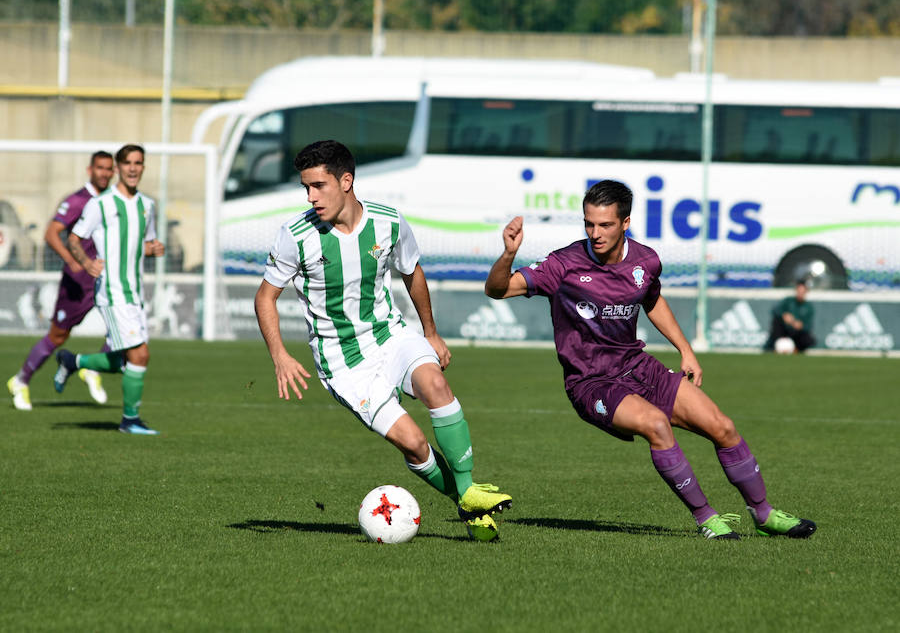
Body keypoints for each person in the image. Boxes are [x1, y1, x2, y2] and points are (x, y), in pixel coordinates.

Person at [485, 179, 815, 540]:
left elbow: (652, 299)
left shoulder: (646, 261)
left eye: (606, 225)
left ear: (625, 222)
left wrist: (685, 350)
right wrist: (507, 256)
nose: (596, 233)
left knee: (722, 427)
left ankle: (764, 515)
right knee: (657, 425)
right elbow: (498, 290)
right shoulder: (562, 265)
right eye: (589, 224)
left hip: (638, 367)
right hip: (591, 381)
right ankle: (708, 519)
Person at [254, 140, 512, 541]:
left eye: (319, 186)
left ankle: (468, 489)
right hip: (343, 363)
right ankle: (467, 500)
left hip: (390, 335)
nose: (311, 196)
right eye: (306, 188)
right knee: (413, 445)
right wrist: (280, 356)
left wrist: (430, 332)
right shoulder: (296, 235)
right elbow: (265, 296)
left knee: (435, 383)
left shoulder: (388, 222)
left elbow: (412, 272)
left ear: (346, 181)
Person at [52, 144, 166, 435]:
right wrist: (87, 263)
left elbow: (142, 245)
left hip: (135, 293)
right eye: (127, 162)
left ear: (143, 167)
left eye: (138, 163)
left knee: (124, 361)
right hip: (112, 292)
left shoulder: (147, 206)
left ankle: (73, 361)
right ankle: (129, 421)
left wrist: (153, 249)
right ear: (118, 167)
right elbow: (74, 238)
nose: (132, 168)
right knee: (140, 355)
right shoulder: (100, 204)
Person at [7, 151, 115, 411]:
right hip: (78, 282)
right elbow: (51, 232)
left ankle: (92, 369)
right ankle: (21, 380)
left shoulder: (112, 201)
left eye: (109, 169)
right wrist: (71, 259)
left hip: (106, 278)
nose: (105, 173)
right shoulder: (78, 200)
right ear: (90, 170)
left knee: (124, 328)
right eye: (100, 168)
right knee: (58, 336)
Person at [763, 280, 815, 353]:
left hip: (796, 333)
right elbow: (775, 310)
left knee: (809, 339)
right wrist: (784, 315)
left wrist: (801, 325)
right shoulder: (788, 301)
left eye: (803, 291)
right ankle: (774, 347)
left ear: (806, 292)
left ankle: (796, 349)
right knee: (776, 322)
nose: (800, 293)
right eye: (799, 291)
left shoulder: (808, 307)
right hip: (784, 330)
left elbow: (808, 325)